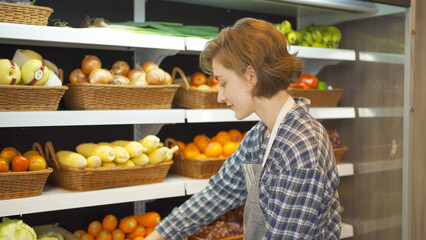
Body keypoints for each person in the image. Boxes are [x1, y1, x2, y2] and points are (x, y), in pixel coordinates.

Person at [146, 17, 341, 240]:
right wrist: (160, 235)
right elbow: (219, 193)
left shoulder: (301, 148)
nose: (220, 96)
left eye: (223, 82)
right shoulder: (259, 136)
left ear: (250, 75)